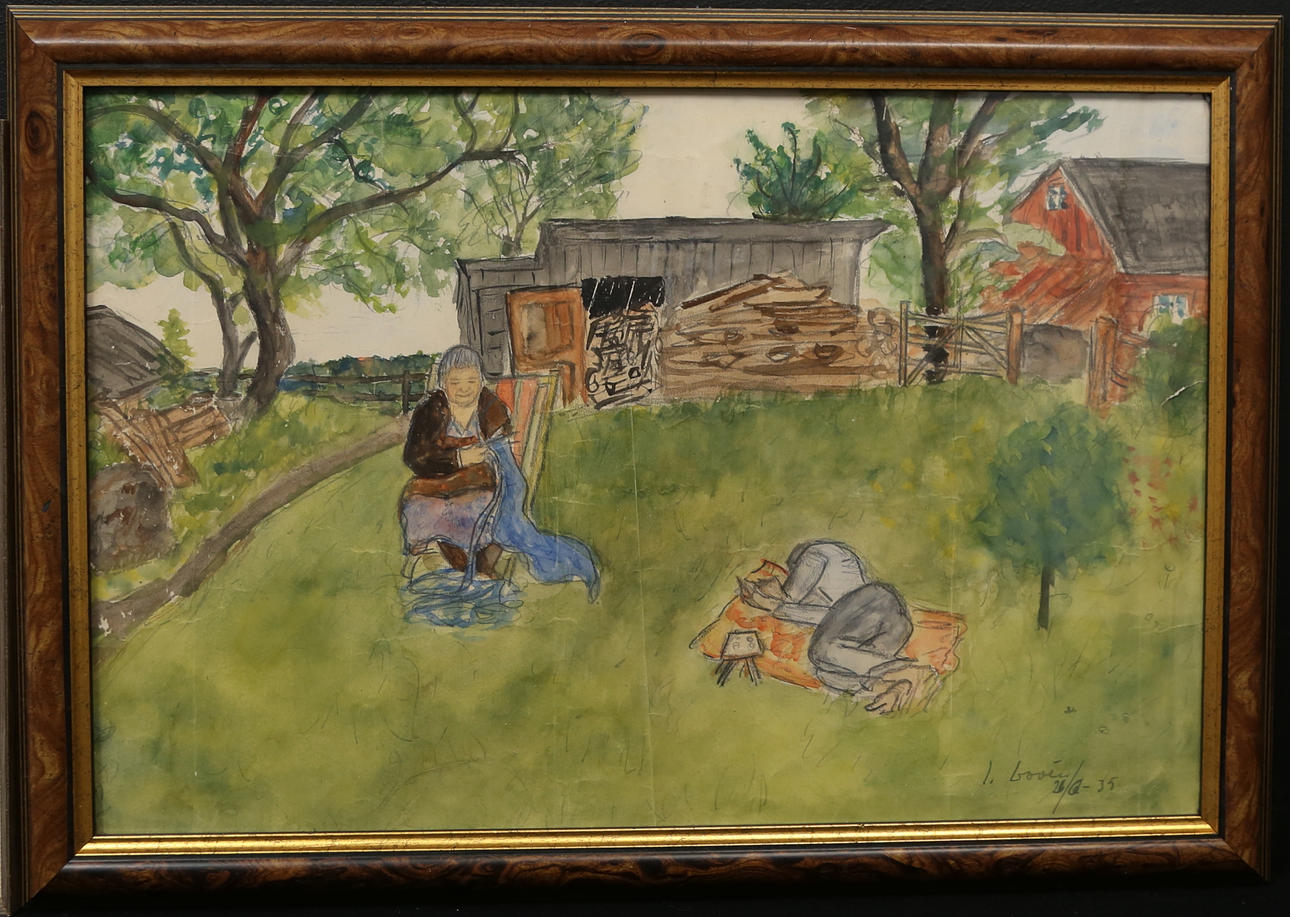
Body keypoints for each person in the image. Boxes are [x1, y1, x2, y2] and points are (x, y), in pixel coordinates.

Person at [740, 540, 940, 714]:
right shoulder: (822, 599)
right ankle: (887, 686)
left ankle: (910, 670)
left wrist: (773, 604)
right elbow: (830, 617)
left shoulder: (813, 554)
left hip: (879, 603)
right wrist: (776, 606)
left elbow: (806, 604)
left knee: (822, 650)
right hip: (883, 628)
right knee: (824, 672)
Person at [401, 345, 510, 577]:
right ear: (443, 383)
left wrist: (486, 455)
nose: (464, 388)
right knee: (421, 505)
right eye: (455, 382)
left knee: (477, 506)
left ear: (481, 381)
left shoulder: (492, 408)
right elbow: (414, 457)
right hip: (438, 484)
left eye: (471, 381)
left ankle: (475, 564)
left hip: (480, 485)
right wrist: (457, 458)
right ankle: (454, 560)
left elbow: (503, 451)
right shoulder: (431, 410)